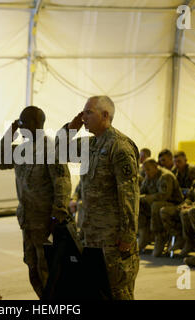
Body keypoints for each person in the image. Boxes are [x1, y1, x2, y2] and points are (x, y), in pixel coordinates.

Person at [60, 95, 140, 300]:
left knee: (118, 292)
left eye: (88, 112)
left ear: (105, 115)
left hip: (112, 238)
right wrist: (71, 127)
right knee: (95, 292)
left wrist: (128, 235)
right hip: (90, 235)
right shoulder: (90, 144)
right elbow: (58, 151)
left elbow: (129, 194)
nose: (83, 116)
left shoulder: (119, 147)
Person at [0, 106, 72, 298]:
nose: (20, 126)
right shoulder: (21, 149)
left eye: (23, 122)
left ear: (36, 124)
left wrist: (58, 214)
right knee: (32, 267)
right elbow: (1, 161)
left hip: (46, 220)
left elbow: (62, 183)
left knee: (50, 270)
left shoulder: (51, 149)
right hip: (28, 221)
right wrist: (8, 134)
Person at [138, 158, 183, 257]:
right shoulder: (149, 177)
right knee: (138, 204)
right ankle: (143, 236)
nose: (146, 172)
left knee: (156, 205)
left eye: (148, 170)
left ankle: (160, 237)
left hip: (173, 204)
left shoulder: (165, 176)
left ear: (155, 167)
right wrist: (141, 198)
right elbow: (141, 192)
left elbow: (163, 196)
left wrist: (145, 198)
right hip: (157, 204)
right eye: (144, 170)